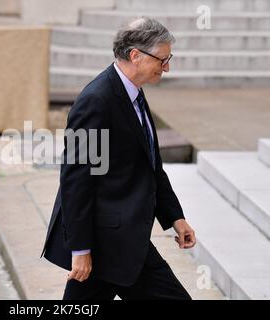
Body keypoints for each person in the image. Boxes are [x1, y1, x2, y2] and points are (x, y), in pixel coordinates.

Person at [41, 17, 197, 300]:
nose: (167, 67)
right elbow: (76, 179)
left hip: (125, 240)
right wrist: (81, 250)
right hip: (103, 243)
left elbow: (150, 165)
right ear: (135, 56)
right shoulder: (96, 101)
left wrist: (175, 217)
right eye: (162, 60)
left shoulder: (134, 93)